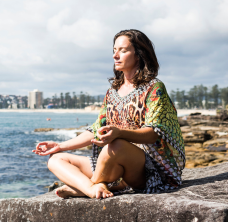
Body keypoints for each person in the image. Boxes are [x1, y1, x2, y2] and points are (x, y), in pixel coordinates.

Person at [33, 29, 185, 199]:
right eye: (114, 50)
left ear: (139, 54)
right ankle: (92, 189)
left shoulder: (154, 88)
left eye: (123, 50)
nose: (115, 56)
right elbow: (96, 129)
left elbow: (153, 134)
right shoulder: (112, 92)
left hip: (148, 168)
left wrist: (119, 133)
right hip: (112, 162)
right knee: (56, 159)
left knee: (116, 145)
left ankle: (83, 188)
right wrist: (60, 146)